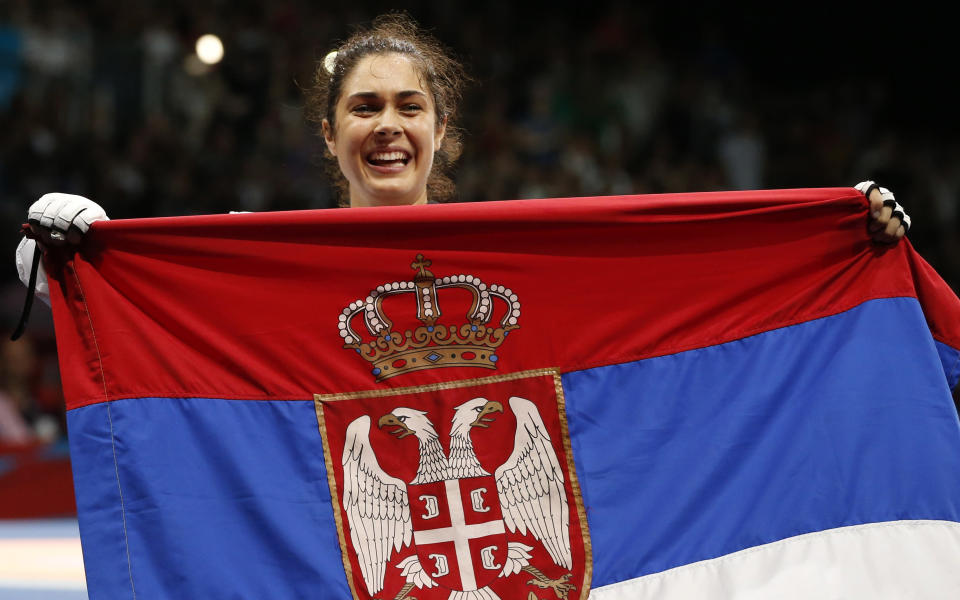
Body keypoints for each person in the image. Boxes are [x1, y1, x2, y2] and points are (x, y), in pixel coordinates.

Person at [15, 14, 911, 302]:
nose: (389, 124)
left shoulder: (522, 255)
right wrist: (78, 250)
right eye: (363, 107)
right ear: (329, 136)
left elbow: (679, 284)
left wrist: (832, 233)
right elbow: (143, 310)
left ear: (442, 131)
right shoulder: (263, 257)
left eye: (411, 105)